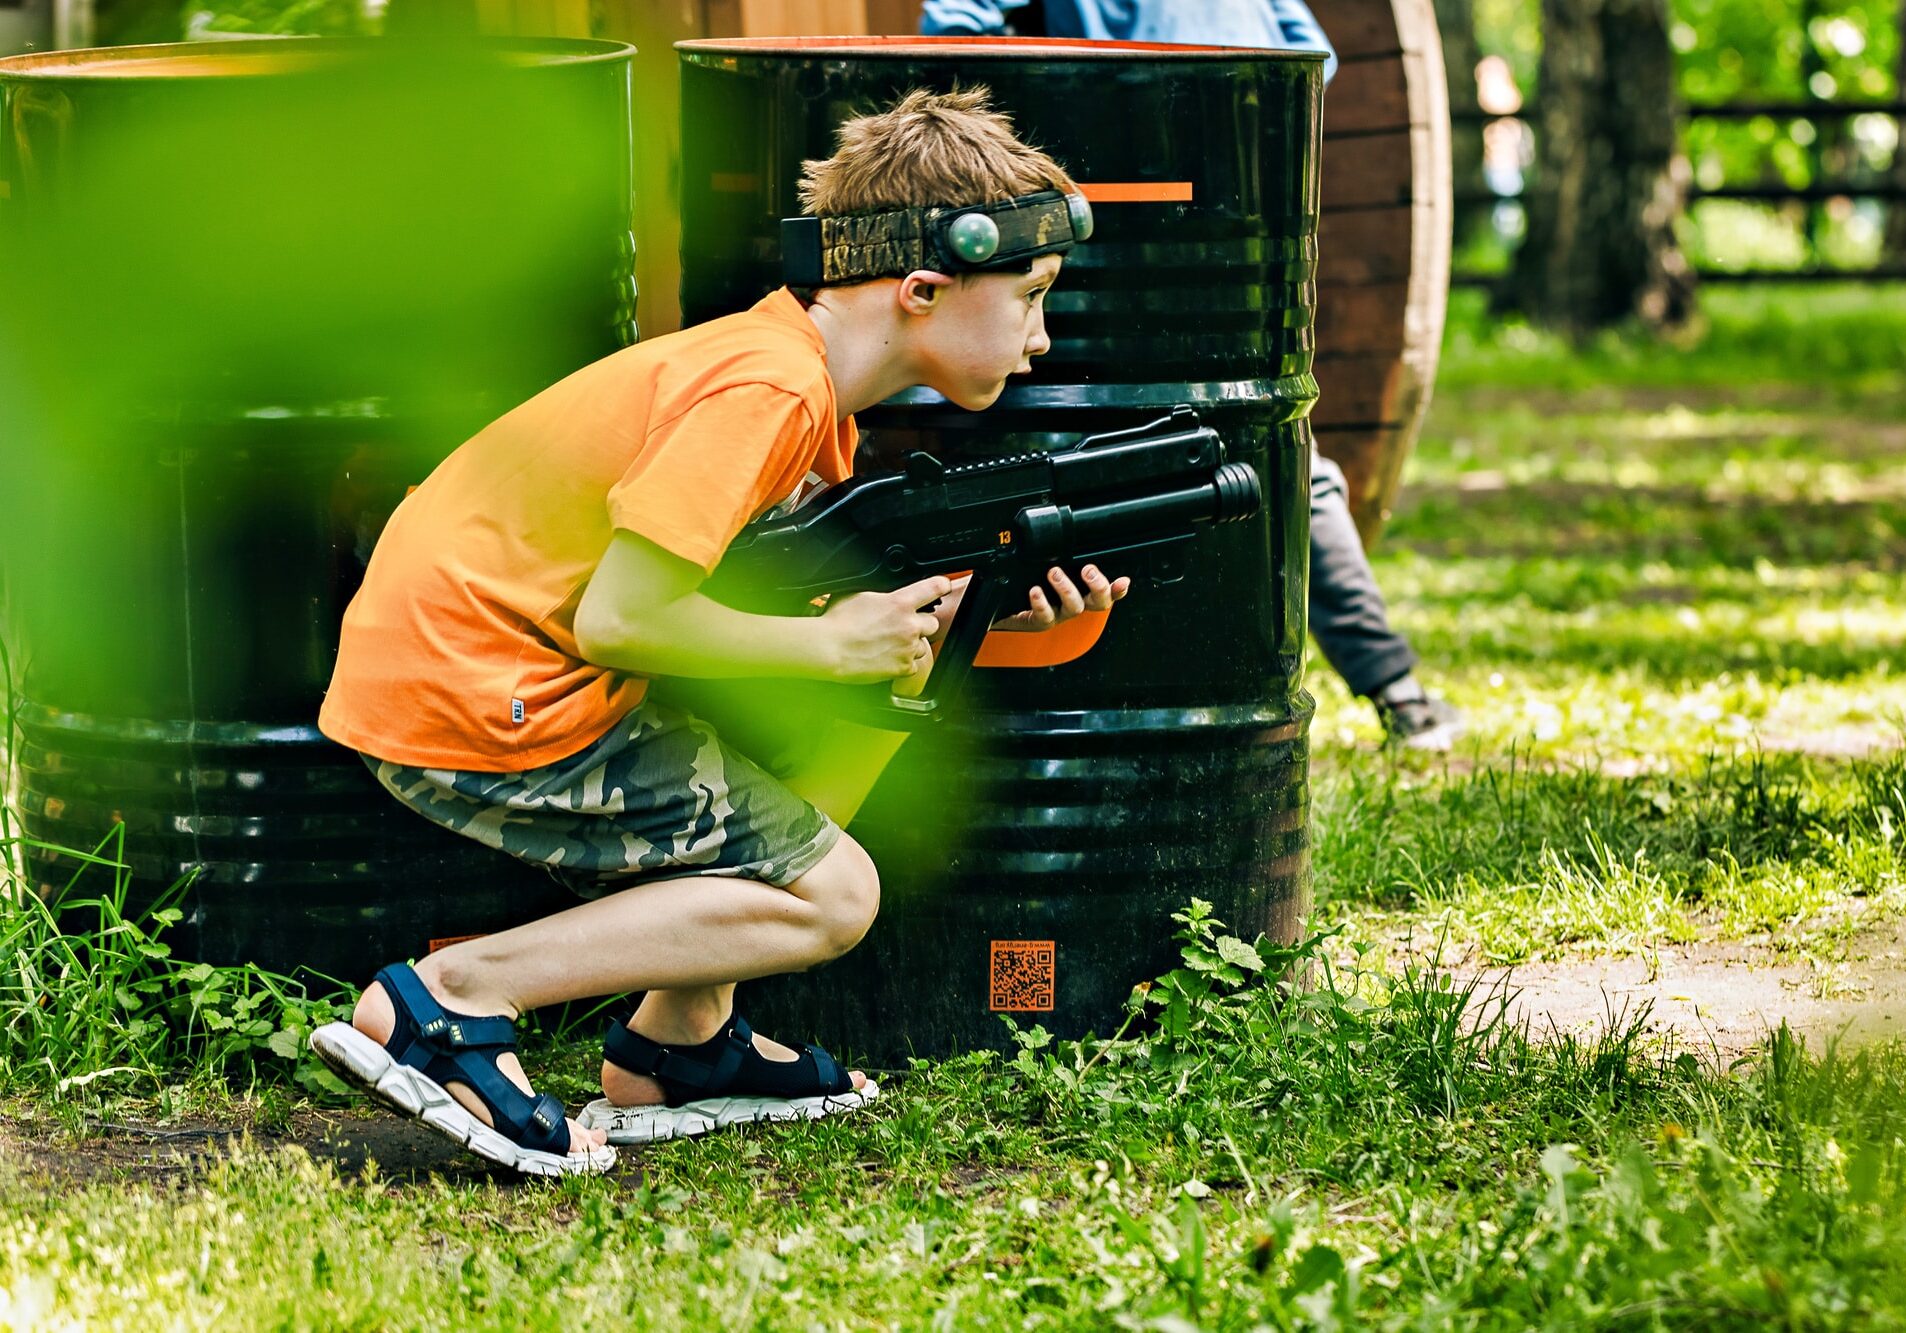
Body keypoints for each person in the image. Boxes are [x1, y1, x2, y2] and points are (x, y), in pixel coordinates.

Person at [309, 88, 1128, 1177]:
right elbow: (624, 614)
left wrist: (980, 620)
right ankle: (448, 1000)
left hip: (476, 667)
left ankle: (677, 1045)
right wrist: (832, 647)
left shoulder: (788, 383)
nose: (1040, 335)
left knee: (855, 723)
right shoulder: (768, 388)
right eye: (1028, 296)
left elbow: (715, 608)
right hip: (482, 689)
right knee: (837, 895)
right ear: (923, 289)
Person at [922, 0, 1465, 751]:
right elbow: (1310, 64)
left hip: (1125, 220)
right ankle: (1393, 689)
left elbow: (951, 40)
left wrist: (1081, 124)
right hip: (1226, 214)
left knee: (1243, 451)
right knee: (1263, 446)